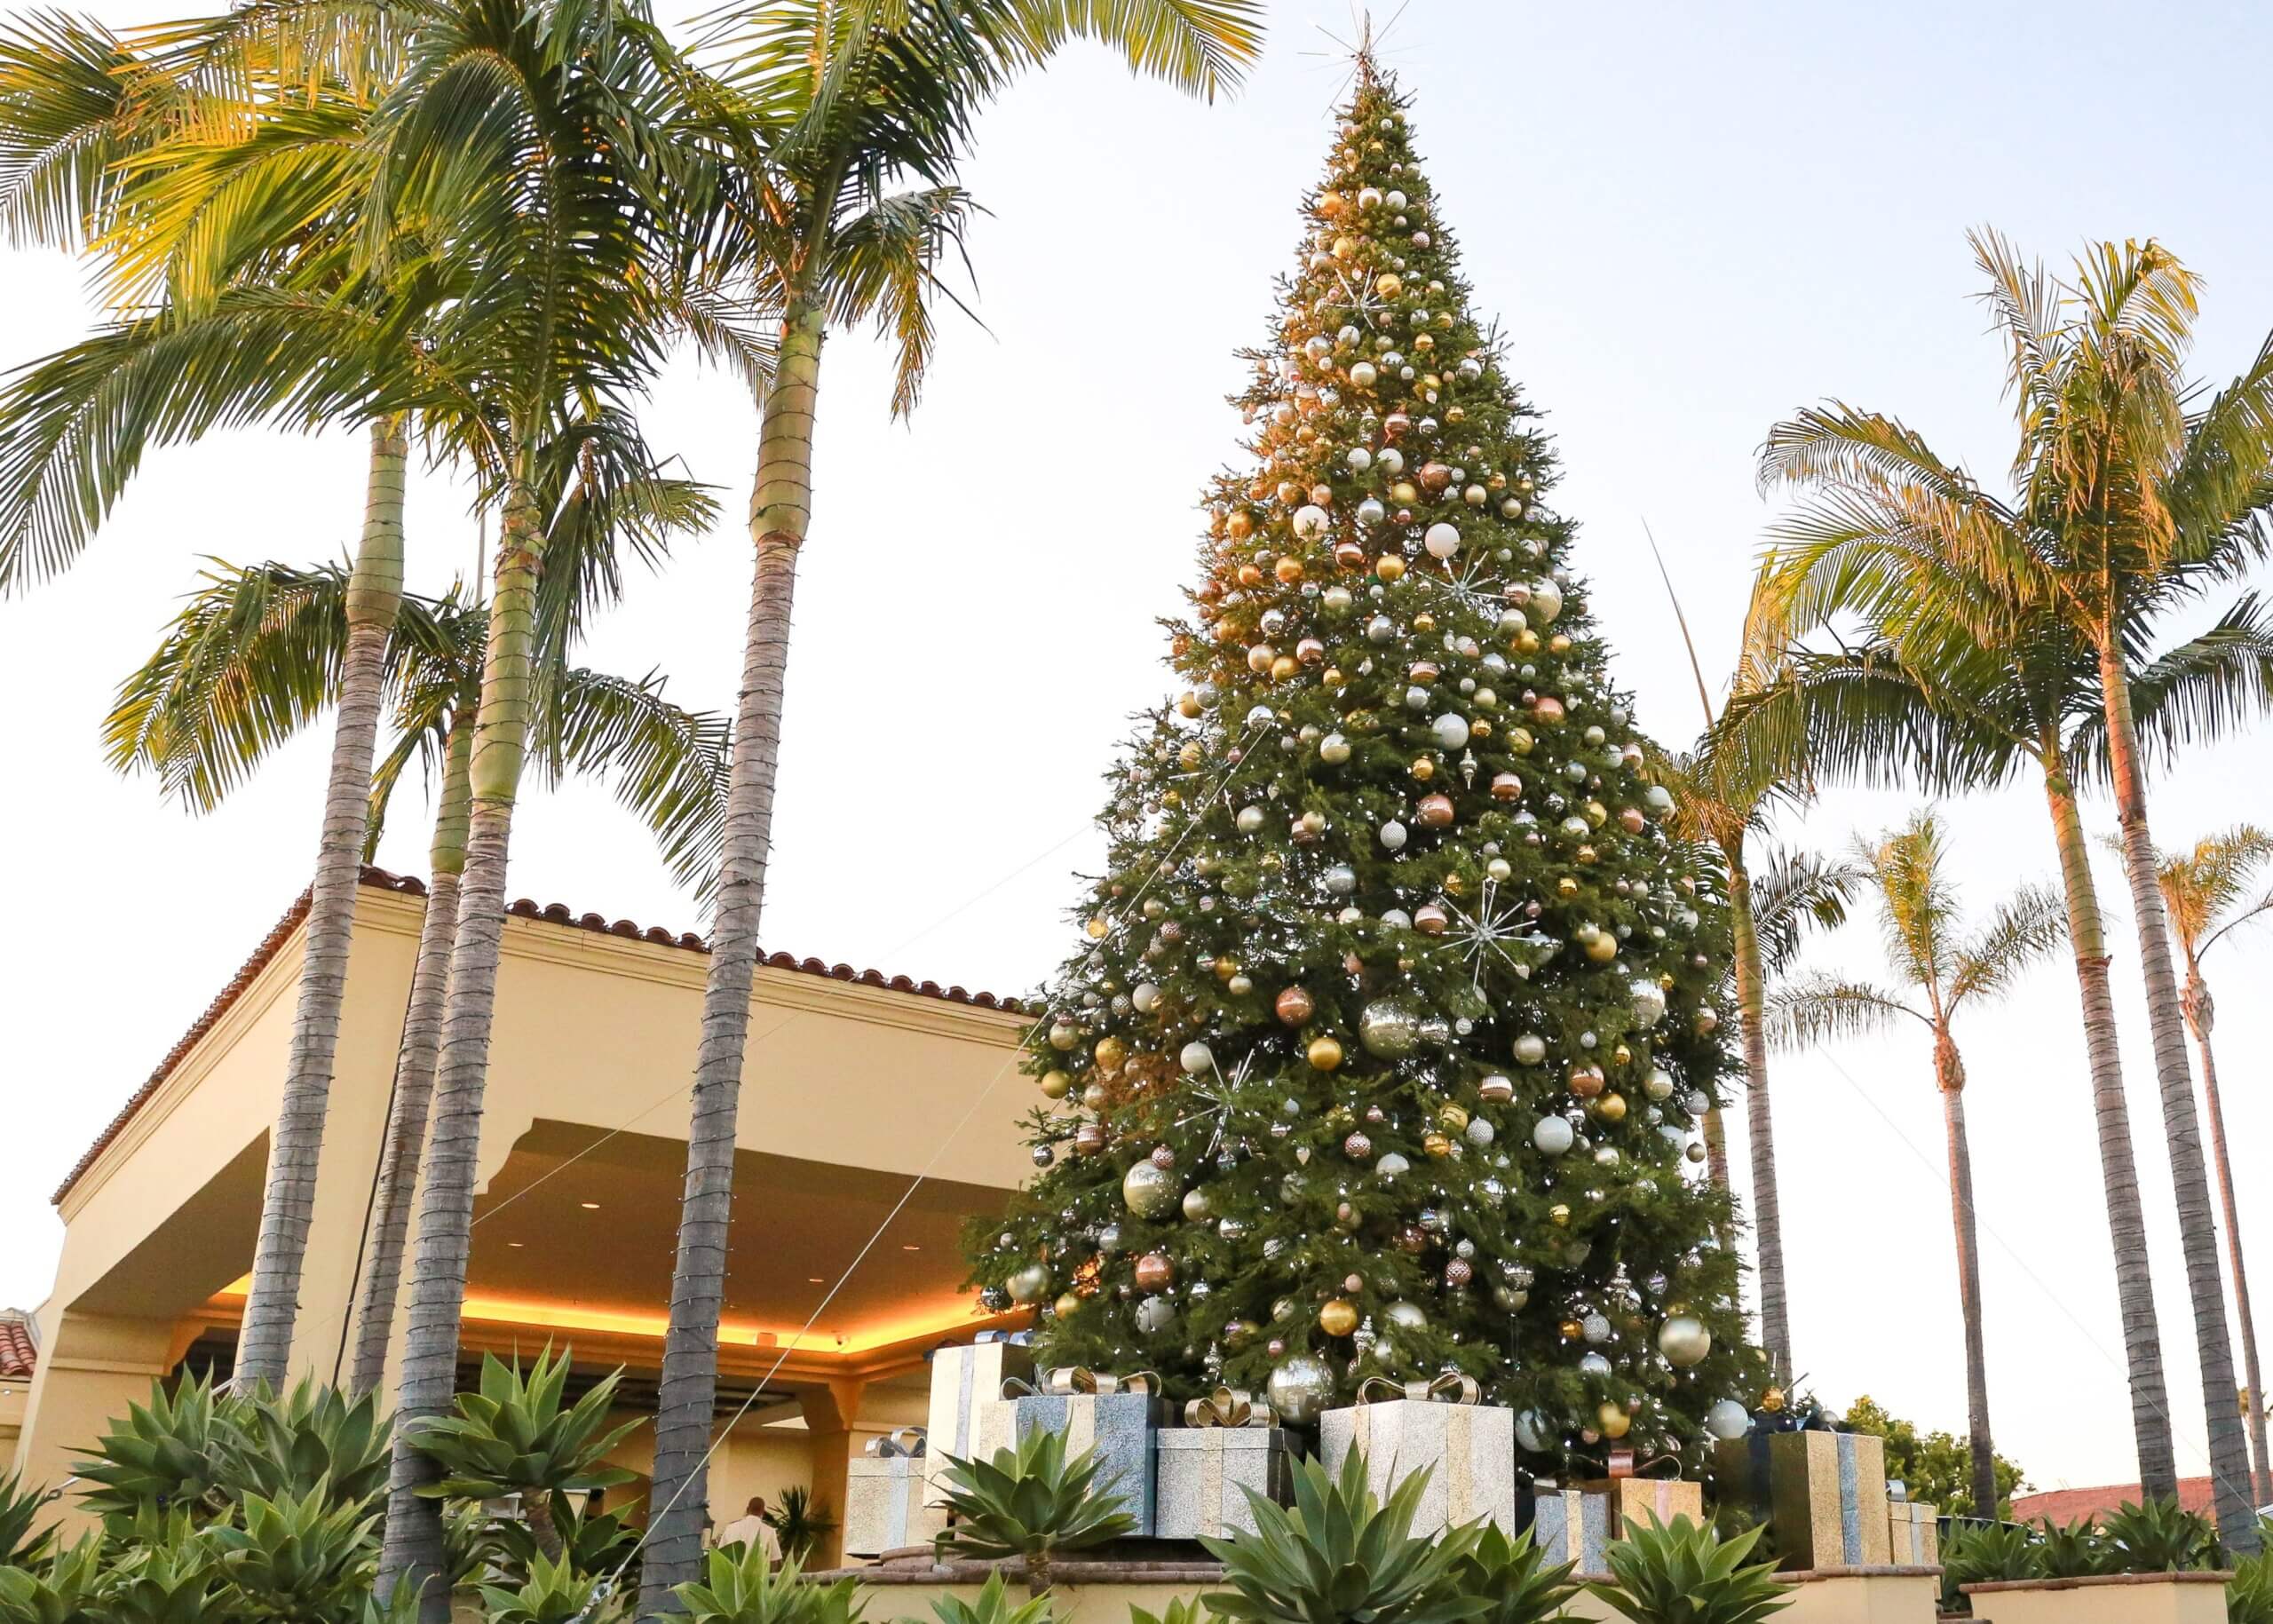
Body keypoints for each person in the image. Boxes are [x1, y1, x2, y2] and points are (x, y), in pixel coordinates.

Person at [714, 1495, 780, 1562]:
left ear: (747, 1509)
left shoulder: (730, 1528)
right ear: (763, 1512)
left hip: (732, 1571)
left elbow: (721, 1553)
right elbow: (775, 1559)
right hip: (757, 1572)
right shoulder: (769, 1531)